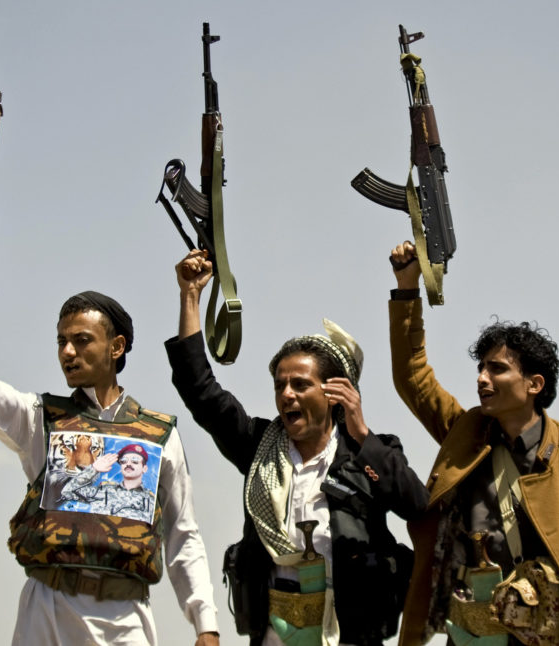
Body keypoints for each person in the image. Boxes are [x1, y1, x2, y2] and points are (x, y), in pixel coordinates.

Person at [0, 235, 220, 646]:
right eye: (61, 341)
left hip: (126, 620)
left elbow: (182, 534)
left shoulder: (159, 435)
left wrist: (205, 624)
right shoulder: (41, 419)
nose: (68, 352)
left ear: (116, 347)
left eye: (82, 340)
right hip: (47, 613)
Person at [166, 249, 430, 646]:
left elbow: (416, 506)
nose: (287, 395)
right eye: (280, 386)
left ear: (334, 392)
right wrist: (190, 296)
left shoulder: (369, 454)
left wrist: (362, 435)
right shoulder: (260, 447)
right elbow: (200, 391)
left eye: (300, 385)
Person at [387, 241, 559, 646]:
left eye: (496, 369)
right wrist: (407, 287)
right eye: (480, 368)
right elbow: (412, 377)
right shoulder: (465, 432)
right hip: (469, 630)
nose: (482, 378)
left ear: (534, 384)